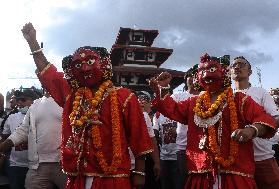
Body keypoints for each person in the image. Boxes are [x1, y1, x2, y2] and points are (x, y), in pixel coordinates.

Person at [21, 22, 153, 189]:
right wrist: (32, 42)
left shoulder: (124, 97)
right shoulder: (73, 95)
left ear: (104, 63)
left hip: (113, 178)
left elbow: (139, 137)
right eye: (77, 64)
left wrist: (140, 172)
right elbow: (49, 74)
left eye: (90, 61)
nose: (84, 68)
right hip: (78, 178)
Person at [148, 53, 276, 189]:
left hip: (235, 172)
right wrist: (162, 88)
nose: (206, 74)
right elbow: (171, 109)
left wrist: (251, 130)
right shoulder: (193, 103)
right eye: (202, 71)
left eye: (212, 70)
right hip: (201, 173)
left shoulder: (240, 100)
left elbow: (265, 120)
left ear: (224, 73)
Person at [231, 56, 279, 189]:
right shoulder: (225, 97)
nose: (237, 67)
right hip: (236, 161)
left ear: (250, 72)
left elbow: (277, 119)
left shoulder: (260, 92)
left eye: (241, 64)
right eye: (234, 65)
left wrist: (254, 130)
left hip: (262, 158)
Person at [0, 90, 67, 189]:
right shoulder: (35, 105)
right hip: (37, 166)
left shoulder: (67, 101)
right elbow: (23, 130)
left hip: (63, 164)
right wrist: (3, 146)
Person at [1, 89, 39, 189]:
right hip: (16, 166)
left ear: (34, 101)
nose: (19, 103)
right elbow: (5, 137)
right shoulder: (11, 117)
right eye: (18, 100)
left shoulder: (40, 117)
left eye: (23, 100)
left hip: (35, 166)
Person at [171, 64, 200, 189]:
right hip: (183, 147)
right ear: (186, 79)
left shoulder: (207, 95)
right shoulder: (178, 96)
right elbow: (167, 110)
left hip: (204, 147)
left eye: (196, 75)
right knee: (184, 181)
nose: (193, 78)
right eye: (190, 75)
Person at [136, 91, 161, 189]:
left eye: (145, 99)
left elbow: (153, 138)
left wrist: (157, 162)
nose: (142, 101)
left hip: (146, 158)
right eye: (139, 99)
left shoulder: (153, 116)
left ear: (150, 102)